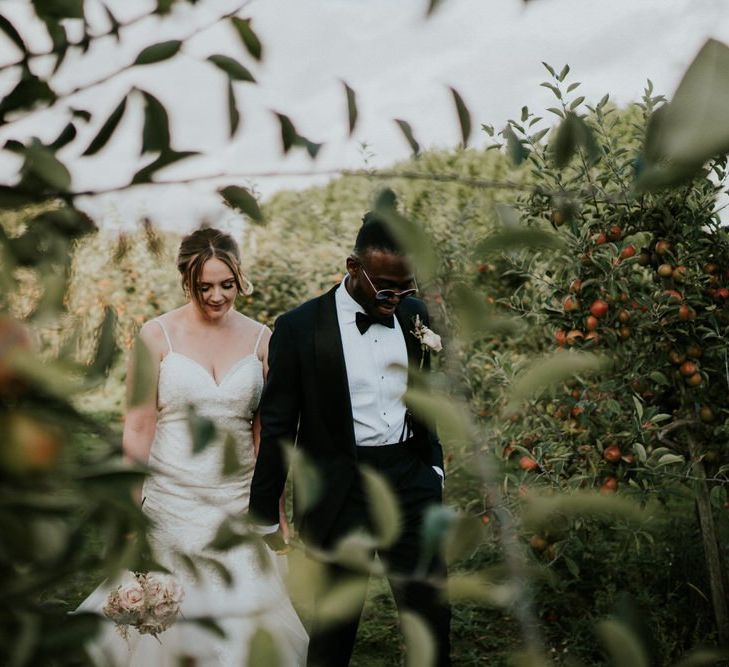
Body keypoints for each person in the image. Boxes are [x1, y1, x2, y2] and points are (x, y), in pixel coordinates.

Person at [76, 227, 308, 666]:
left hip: (236, 500)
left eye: (227, 285)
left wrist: (274, 510)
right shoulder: (156, 335)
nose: (218, 297)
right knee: (159, 620)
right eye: (205, 287)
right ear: (187, 281)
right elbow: (139, 426)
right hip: (170, 501)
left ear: (240, 278)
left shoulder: (263, 339)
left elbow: (266, 434)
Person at [249, 208, 451, 666]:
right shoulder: (299, 328)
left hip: (410, 479)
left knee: (431, 617)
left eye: (406, 287)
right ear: (353, 267)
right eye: (386, 288)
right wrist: (263, 509)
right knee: (334, 628)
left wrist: (433, 465)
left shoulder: (415, 315)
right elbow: (278, 423)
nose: (396, 298)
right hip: (339, 487)